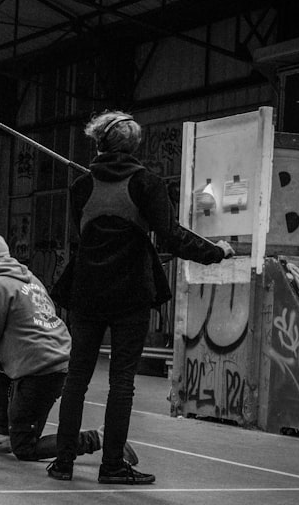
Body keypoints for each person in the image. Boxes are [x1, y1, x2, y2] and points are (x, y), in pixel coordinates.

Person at [48, 110, 235, 484]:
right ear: (135, 145)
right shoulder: (147, 183)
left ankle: (64, 462)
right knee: (121, 382)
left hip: (86, 291)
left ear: (99, 144)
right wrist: (216, 251)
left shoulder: (81, 187)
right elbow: (172, 236)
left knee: (77, 379)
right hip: (129, 293)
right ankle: (112, 465)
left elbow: (82, 234)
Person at [0, 234, 136, 465]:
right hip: (59, 358)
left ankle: (99, 438)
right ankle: (2, 434)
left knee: (25, 448)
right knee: (1, 367)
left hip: (39, 370)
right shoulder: (32, 280)